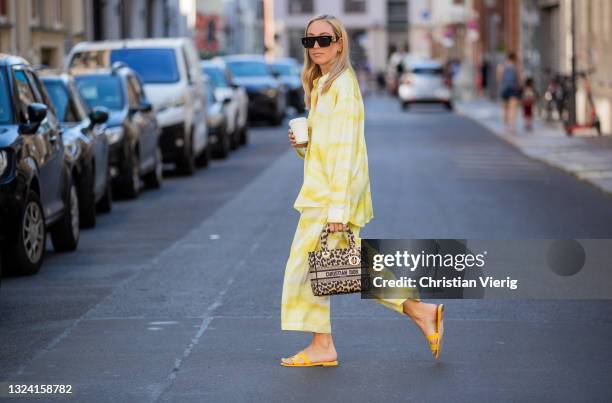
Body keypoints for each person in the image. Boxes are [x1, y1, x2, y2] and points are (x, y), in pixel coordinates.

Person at [281, 14, 445, 367]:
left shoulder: (342, 85)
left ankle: (324, 345)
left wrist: (338, 210)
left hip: (328, 197)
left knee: (305, 269)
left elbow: (345, 151)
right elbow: (323, 147)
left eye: (324, 40)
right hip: (322, 192)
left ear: (340, 43)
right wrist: (301, 143)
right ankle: (421, 312)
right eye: (310, 41)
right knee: (352, 268)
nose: (317, 47)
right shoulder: (323, 85)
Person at [497, 52, 522, 133]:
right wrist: (520, 86)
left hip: (505, 88)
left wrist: (502, 85)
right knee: (513, 109)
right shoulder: (516, 67)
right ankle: (512, 126)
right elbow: (519, 78)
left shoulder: (501, 66)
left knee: (505, 109)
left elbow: (499, 78)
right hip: (514, 89)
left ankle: (506, 126)